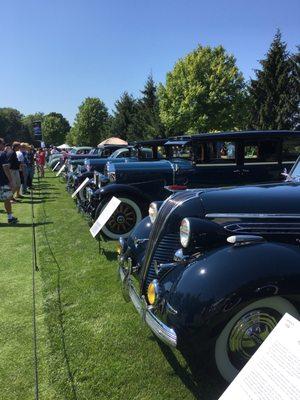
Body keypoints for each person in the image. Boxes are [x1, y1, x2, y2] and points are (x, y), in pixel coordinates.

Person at [0, 138, 18, 223]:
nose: (4, 145)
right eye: (3, 143)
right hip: (3, 181)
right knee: (7, 199)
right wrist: (10, 180)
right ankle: (10, 218)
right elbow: (6, 168)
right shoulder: (2, 154)